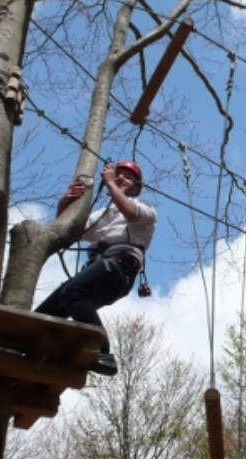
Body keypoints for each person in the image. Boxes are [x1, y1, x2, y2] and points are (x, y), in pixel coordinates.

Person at [36, 161, 156, 376]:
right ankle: (34, 349)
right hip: (99, 267)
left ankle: (103, 352)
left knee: (73, 293)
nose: (120, 178)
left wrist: (110, 183)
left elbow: (129, 212)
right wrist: (66, 202)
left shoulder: (146, 212)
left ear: (137, 188)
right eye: (118, 175)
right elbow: (72, 231)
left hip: (120, 265)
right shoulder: (104, 214)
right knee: (49, 311)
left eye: (127, 177)